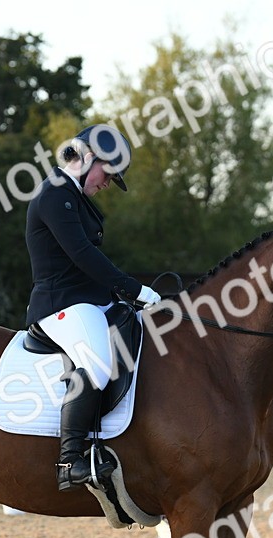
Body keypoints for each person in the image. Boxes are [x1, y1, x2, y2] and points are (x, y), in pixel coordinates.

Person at [24, 124, 161, 491]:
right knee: (97, 361)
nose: (105, 184)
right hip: (60, 306)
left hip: (89, 300)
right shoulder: (54, 194)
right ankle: (70, 459)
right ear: (86, 156)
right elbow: (82, 255)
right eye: (107, 174)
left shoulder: (74, 196)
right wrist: (133, 289)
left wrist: (125, 299)